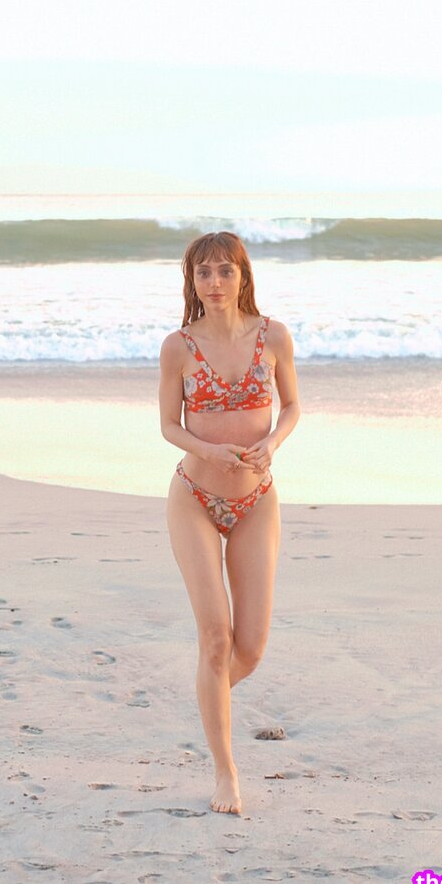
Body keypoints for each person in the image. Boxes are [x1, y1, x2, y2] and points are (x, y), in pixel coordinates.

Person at [159, 231, 301, 815]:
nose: (214, 282)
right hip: (194, 497)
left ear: (243, 275)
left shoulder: (274, 337)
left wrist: (274, 441)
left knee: (251, 647)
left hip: (255, 501)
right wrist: (208, 450)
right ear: (191, 282)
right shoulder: (178, 347)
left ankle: (207, 691)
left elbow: (292, 406)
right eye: (203, 273)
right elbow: (169, 425)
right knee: (215, 638)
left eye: (225, 271)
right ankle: (227, 774)